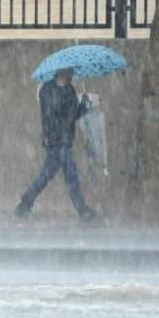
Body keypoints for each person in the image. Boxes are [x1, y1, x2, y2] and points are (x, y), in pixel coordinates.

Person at [14, 69, 94, 220]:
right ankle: (82, 210)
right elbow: (51, 114)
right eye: (70, 71)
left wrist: (84, 105)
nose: (72, 74)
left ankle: (24, 205)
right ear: (61, 72)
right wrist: (64, 106)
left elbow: (73, 115)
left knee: (46, 176)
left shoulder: (70, 89)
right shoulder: (47, 89)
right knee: (71, 175)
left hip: (64, 141)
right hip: (54, 141)